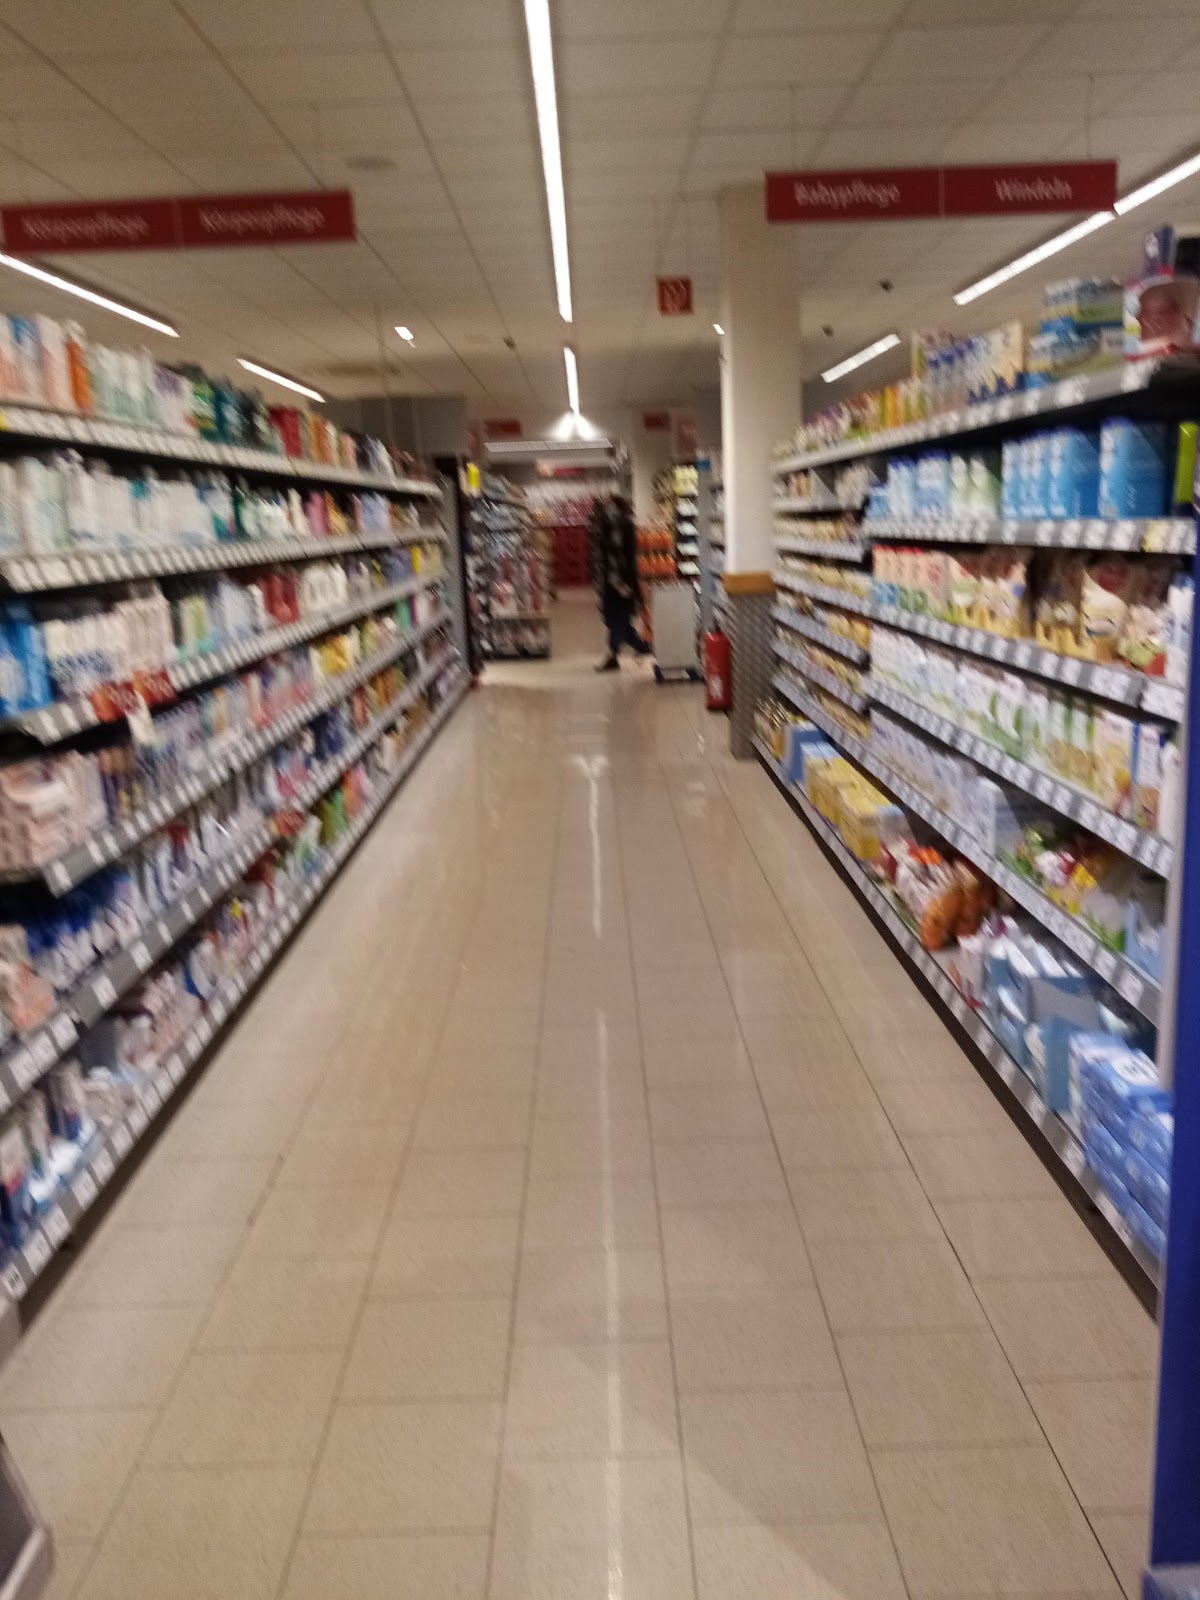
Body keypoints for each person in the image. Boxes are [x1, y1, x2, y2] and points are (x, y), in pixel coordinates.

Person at [591, 495, 651, 671]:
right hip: (610, 582)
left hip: (622, 582)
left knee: (618, 619)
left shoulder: (626, 526)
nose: (609, 509)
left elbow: (629, 557)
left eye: (612, 506)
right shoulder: (607, 526)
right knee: (612, 618)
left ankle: (616, 656)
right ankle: (641, 646)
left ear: (619, 507)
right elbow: (603, 554)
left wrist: (632, 584)